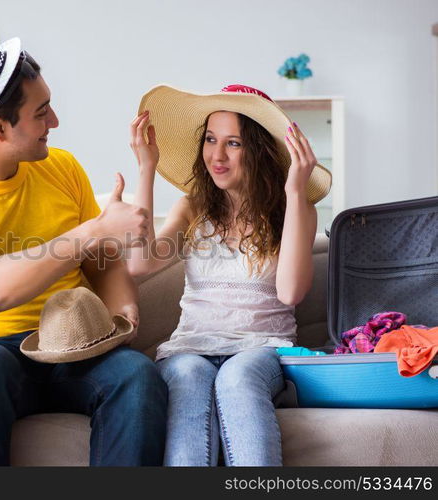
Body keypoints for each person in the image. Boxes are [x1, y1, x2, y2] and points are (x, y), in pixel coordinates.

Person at [0, 37, 167, 466]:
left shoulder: (61, 168)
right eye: (41, 113)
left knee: (136, 373)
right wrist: (94, 229)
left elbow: (99, 262)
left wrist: (122, 308)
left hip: (76, 345)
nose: (54, 121)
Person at [124, 84, 331, 466]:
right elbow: (140, 264)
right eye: (210, 140)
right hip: (191, 346)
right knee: (185, 375)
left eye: (233, 143)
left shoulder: (294, 210)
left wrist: (296, 191)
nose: (216, 156)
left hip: (260, 348)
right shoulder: (191, 208)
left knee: (236, 379)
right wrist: (146, 168)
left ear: (258, 150)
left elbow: (290, 292)